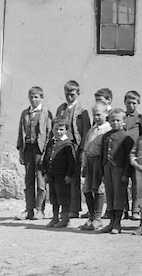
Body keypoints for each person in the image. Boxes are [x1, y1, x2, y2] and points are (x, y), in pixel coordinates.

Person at [15, 86, 51, 221]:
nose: (33, 99)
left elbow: (48, 133)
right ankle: (29, 209)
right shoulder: (25, 113)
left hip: (39, 150)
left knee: (41, 181)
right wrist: (20, 151)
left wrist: (46, 153)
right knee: (28, 181)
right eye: (31, 97)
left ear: (41, 98)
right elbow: (20, 133)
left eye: (36, 97)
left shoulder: (46, 113)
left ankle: (40, 210)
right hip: (28, 149)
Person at [53, 80, 87, 218]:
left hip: (75, 146)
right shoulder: (61, 109)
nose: (69, 97)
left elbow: (86, 131)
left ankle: (74, 208)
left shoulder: (82, 111)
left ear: (78, 94)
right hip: (62, 147)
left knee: (74, 178)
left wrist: (83, 150)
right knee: (63, 177)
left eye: (72, 94)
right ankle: (64, 207)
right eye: (67, 94)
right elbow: (56, 126)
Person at [99, 109, 133, 234]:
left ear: (124, 122)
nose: (115, 123)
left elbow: (129, 157)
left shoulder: (126, 137)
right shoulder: (105, 136)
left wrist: (126, 173)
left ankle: (117, 223)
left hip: (119, 169)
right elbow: (102, 154)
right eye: (112, 120)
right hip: (107, 167)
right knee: (110, 195)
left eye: (118, 120)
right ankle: (111, 221)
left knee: (119, 195)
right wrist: (102, 171)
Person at [78, 101, 111, 231]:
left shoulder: (107, 130)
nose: (96, 117)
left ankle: (97, 218)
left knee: (98, 189)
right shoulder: (92, 130)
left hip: (99, 162)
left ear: (106, 113)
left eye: (98, 114)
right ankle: (91, 217)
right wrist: (84, 165)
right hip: (90, 161)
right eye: (94, 115)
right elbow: (86, 148)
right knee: (86, 189)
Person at [41, 120, 76, 228]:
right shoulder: (51, 142)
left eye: (61, 130)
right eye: (56, 129)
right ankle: (55, 217)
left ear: (66, 130)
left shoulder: (68, 144)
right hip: (52, 174)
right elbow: (46, 158)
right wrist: (45, 172)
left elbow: (72, 162)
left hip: (62, 176)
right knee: (54, 196)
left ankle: (65, 218)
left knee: (63, 196)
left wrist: (69, 175)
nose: (58, 132)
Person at [123, 90, 142, 220]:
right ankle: (124, 210)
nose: (131, 105)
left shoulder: (140, 119)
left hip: (136, 154)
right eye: (129, 103)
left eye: (134, 103)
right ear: (124, 102)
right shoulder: (121, 116)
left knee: (136, 184)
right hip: (121, 154)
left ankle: (136, 210)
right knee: (123, 183)